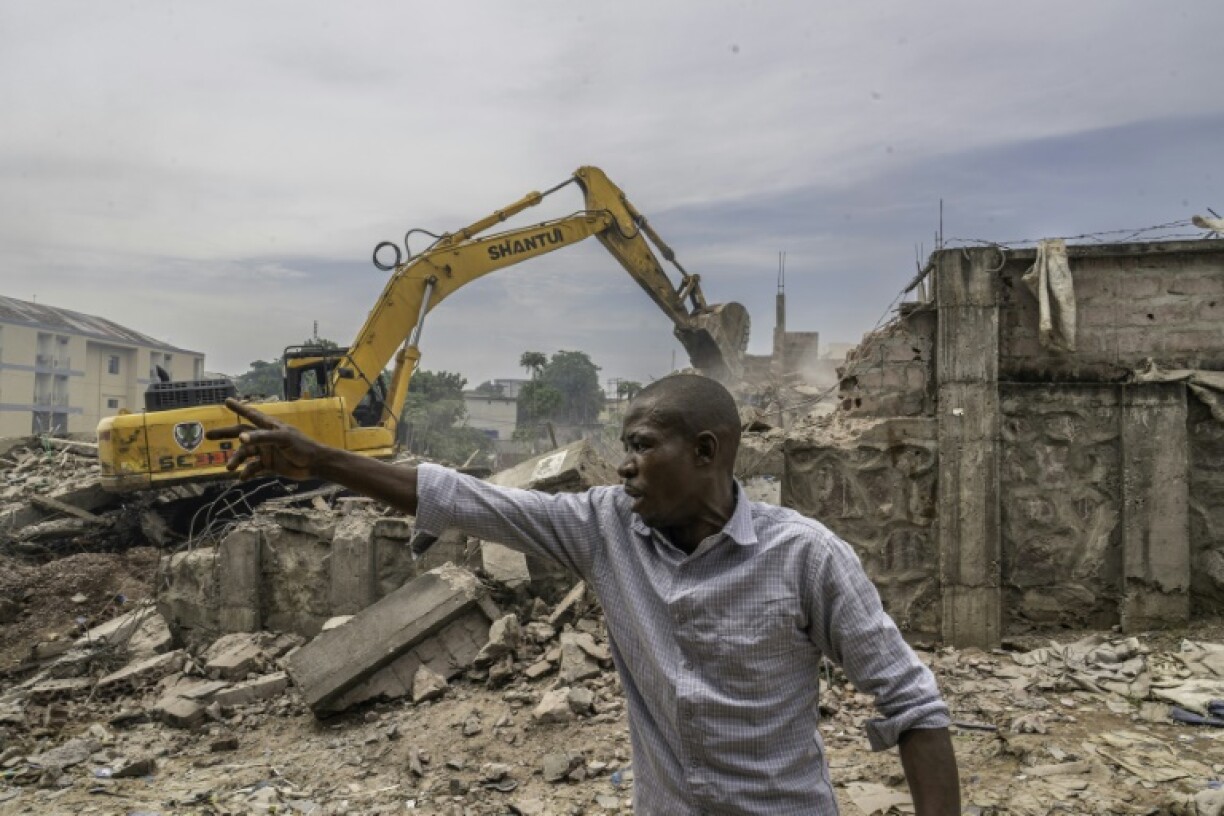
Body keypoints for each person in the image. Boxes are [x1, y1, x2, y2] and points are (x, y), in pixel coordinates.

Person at [208, 374, 960, 815]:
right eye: (622, 446)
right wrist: (324, 461)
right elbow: (466, 497)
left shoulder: (805, 558)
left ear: (705, 452)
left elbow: (914, 707)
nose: (624, 467)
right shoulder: (604, 529)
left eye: (641, 446)